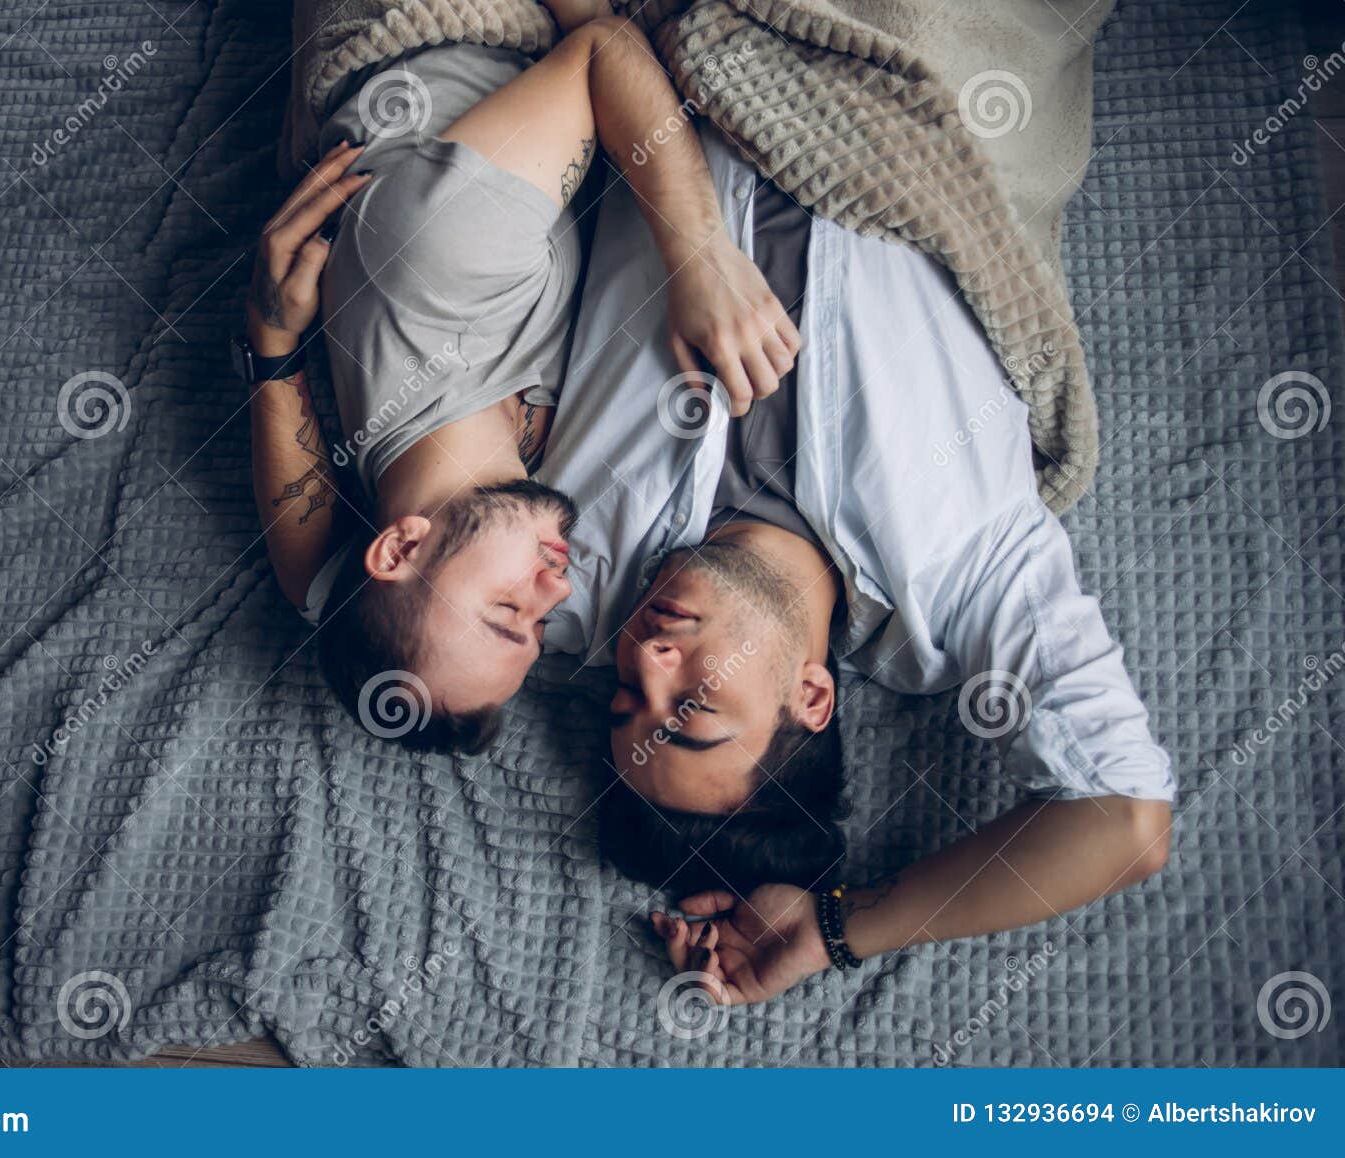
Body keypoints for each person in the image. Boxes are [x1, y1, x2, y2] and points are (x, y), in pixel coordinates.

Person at [536, 120, 1175, 1006]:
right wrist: (835, 930)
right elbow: (1127, 822)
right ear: (811, 696)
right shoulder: (960, 580)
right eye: (690, 704)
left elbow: (343, 592)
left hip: (673, 62)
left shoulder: (562, 568)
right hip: (919, 80)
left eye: (622, 696)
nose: (643, 657)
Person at [240, 1, 796, 752]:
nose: (557, 593)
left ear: (399, 550)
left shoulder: (438, 264)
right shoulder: (426, 510)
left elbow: (605, 50)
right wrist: (270, 345)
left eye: (508, 612)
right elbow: (311, 589)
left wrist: (701, 257)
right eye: (536, 628)